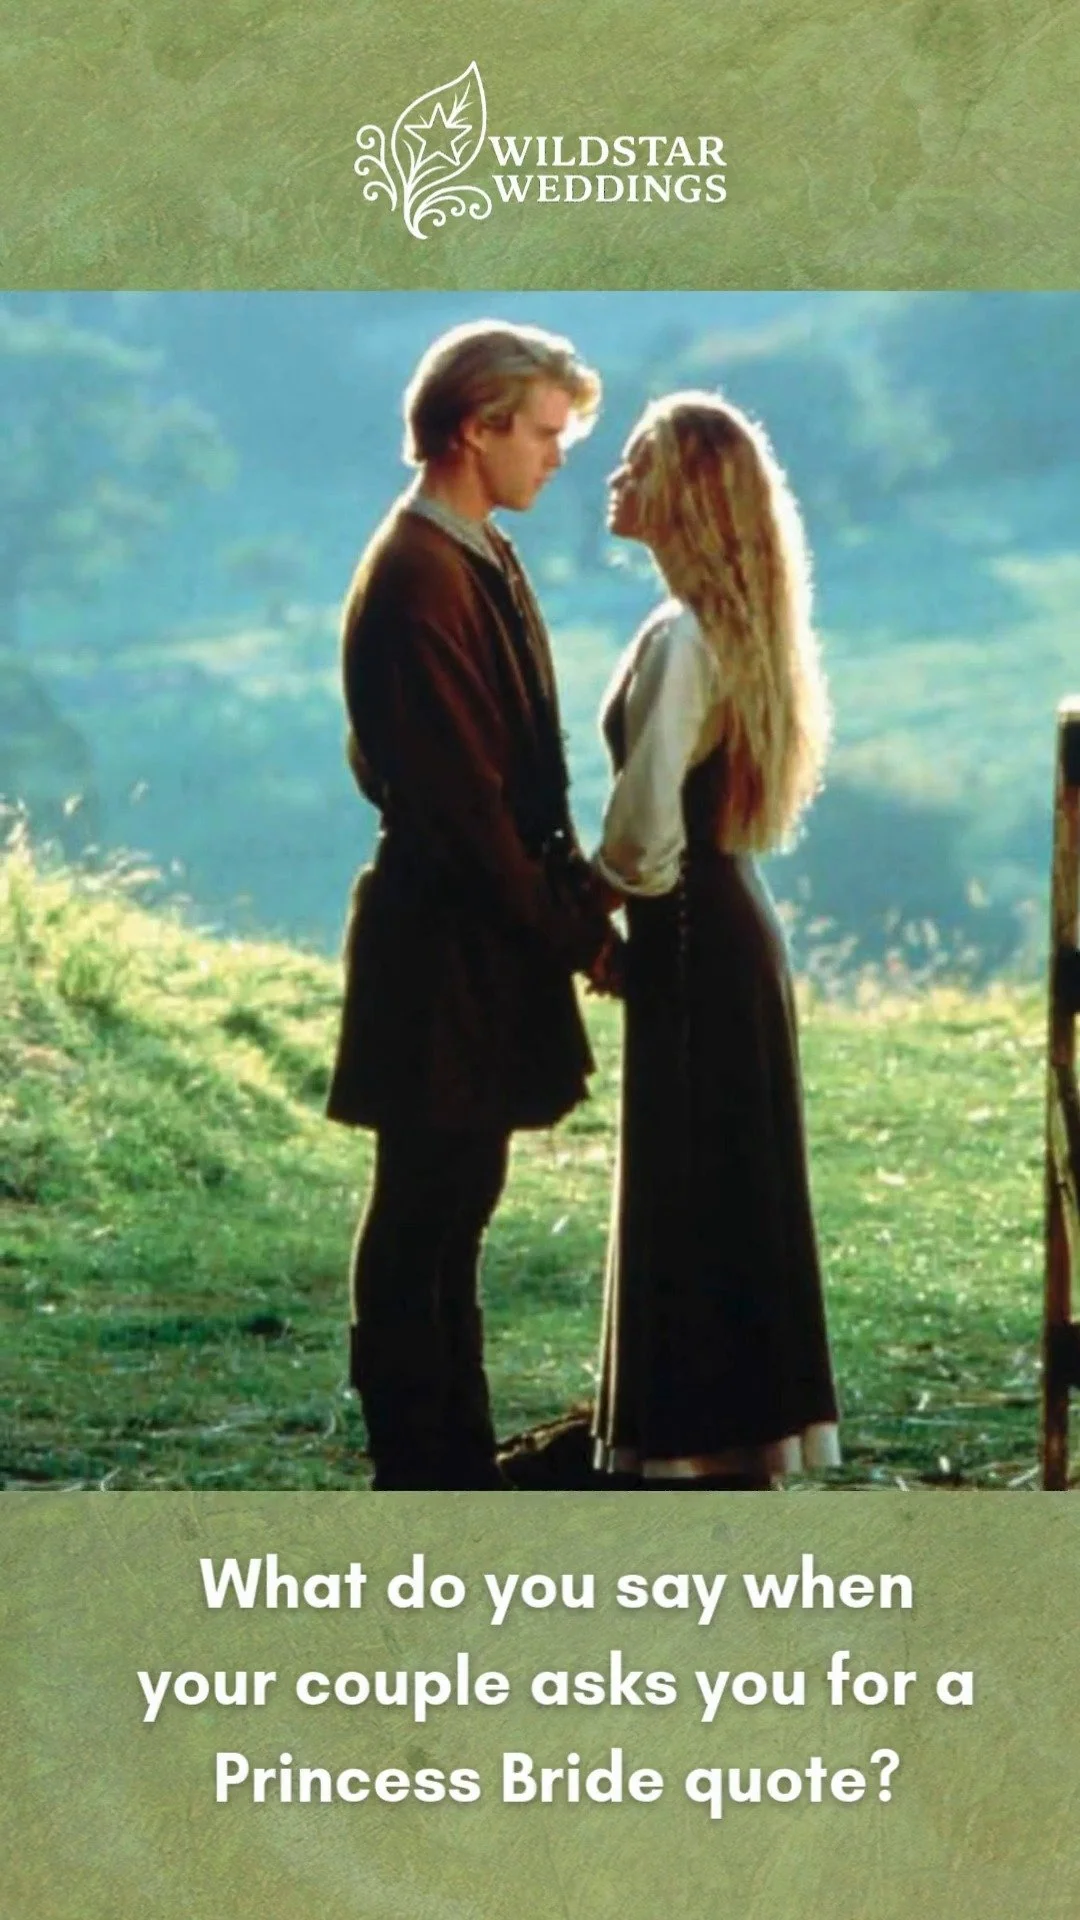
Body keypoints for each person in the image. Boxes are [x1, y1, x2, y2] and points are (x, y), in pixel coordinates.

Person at [325, 320, 619, 1491]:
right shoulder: (419, 574)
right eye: (542, 433)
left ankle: (451, 1459)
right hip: (441, 944)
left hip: (474, 939)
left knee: (459, 1200)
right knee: (426, 1207)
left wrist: (570, 910)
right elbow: (462, 805)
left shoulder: (474, 553)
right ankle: (422, 1469)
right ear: (473, 428)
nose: (557, 455)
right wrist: (581, 935)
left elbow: (511, 785)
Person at [590, 390, 841, 1490]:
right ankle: (737, 1433)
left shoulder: (684, 637)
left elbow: (644, 829)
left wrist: (579, 921)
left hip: (691, 934)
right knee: (735, 1183)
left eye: (637, 462)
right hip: (731, 927)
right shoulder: (724, 627)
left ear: (685, 494)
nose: (614, 479)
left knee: (695, 1185)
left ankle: (697, 1440)